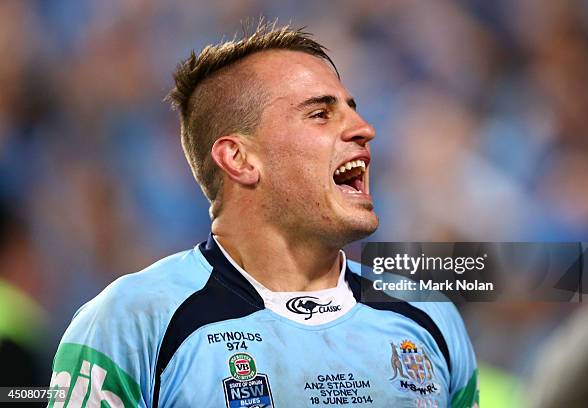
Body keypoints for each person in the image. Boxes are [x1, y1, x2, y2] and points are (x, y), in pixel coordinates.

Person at [48, 22, 479, 408]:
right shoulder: (132, 323)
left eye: (352, 107)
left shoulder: (428, 315)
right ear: (239, 158)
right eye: (320, 113)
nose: (364, 128)